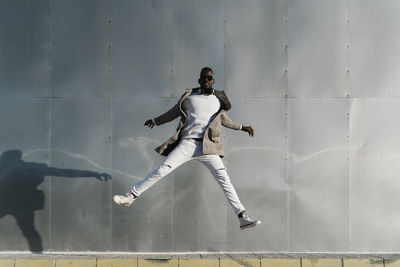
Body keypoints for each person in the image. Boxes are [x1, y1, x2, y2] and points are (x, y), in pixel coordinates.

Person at [113, 67, 261, 230]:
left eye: (209, 78)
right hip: (187, 144)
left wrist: (242, 127)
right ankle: (131, 196)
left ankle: (242, 217)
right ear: (199, 80)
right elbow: (173, 113)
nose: (206, 80)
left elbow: (225, 120)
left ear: (213, 80)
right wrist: (156, 121)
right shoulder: (189, 98)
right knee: (162, 170)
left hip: (208, 146)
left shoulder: (218, 101)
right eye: (204, 78)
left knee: (224, 179)